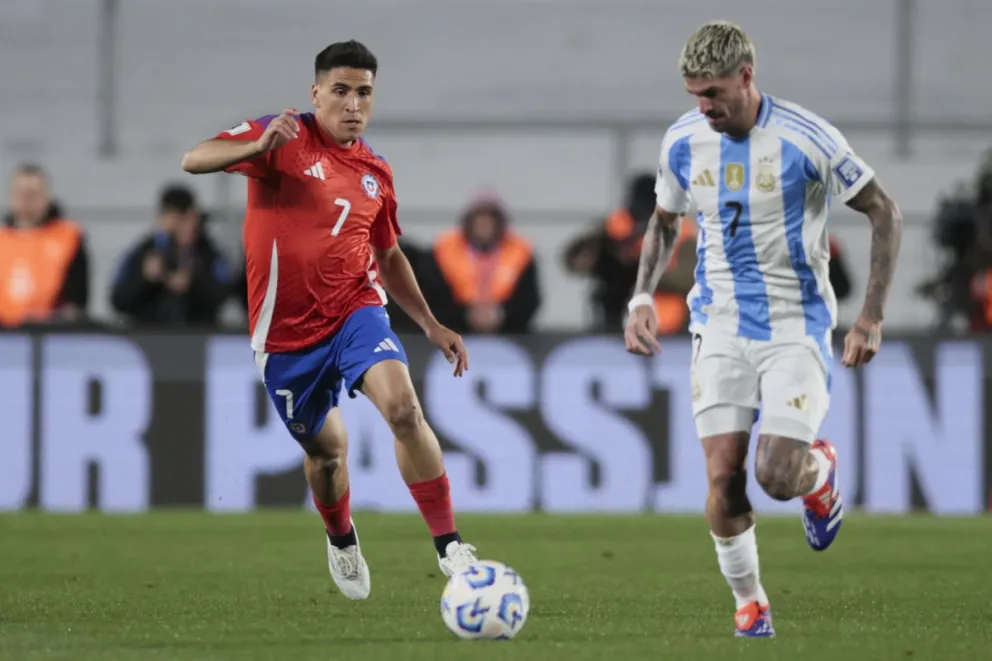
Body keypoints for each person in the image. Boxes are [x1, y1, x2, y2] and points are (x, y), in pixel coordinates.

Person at [623, 22, 902, 637]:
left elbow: (884, 210)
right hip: (717, 324)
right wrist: (642, 294)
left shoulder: (806, 137)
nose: (705, 106)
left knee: (776, 477)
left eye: (715, 93)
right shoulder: (684, 140)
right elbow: (665, 219)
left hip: (794, 326)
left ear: (747, 77)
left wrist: (872, 315)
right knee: (724, 477)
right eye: (696, 94)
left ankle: (817, 476)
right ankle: (751, 603)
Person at [180, 40, 478, 601]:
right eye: (340, 91)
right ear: (315, 93)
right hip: (287, 337)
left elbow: (388, 255)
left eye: (363, 92)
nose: (352, 104)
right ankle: (341, 537)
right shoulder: (282, 137)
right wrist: (256, 145)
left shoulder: (375, 172)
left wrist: (432, 324)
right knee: (327, 454)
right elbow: (193, 158)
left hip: (356, 311)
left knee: (405, 409)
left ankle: (450, 545)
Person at [111, 184, 233, 327]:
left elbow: (223, 296)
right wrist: (145, 278)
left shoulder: (208, 253)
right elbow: (118, 300)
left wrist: (193, 281)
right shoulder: (143, 252)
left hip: (197, 334)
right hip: (149, 335)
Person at [0, 163, 89, 327]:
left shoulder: (68, 237)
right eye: (21, 193)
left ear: (46, 196)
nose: (26, 199)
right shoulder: (2, 240)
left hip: (51, 335)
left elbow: (76, 300)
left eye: (33, 193)